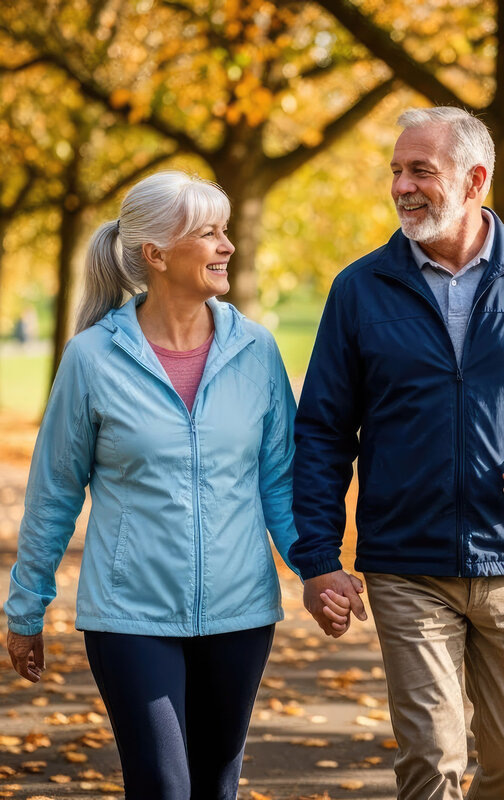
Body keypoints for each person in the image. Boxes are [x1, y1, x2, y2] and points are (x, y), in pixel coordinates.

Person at [290, 107, 504, 799]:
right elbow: (323, 431)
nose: (401, 187)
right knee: (431, 760)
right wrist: (319, 559)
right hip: (405, 565)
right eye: (396, 171)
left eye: (421, 171)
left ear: (475, 180)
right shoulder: (359, 288)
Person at [3, 171, 317, 800]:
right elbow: (54, 492)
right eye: (209, 233)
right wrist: (25, 608)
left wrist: (318, 568)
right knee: (163, 788)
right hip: (130, 614)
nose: (227, 245)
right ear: (156, 254)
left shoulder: (256, 350)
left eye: (226, 230)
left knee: (216, 788)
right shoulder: (92, 358)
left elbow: (280, 483)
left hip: (240, 611)